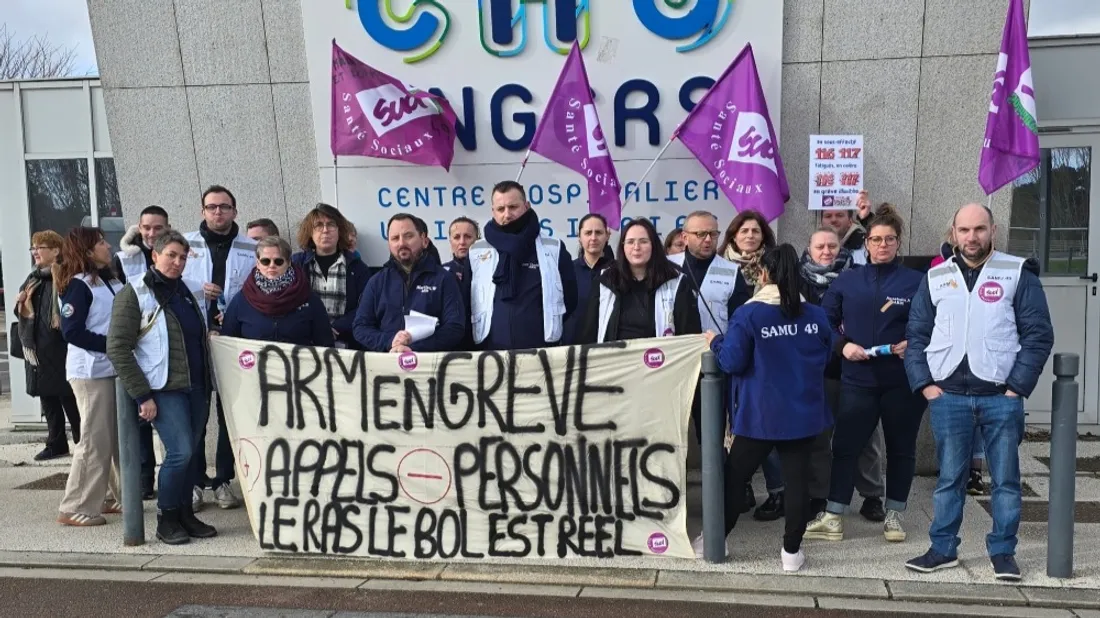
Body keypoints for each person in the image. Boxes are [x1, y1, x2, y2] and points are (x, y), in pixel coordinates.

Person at [904, 204, 1053, 581]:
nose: (972, 238)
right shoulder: (936, 276)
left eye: (980, 229)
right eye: (965, 230)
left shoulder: (1017, 272)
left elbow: (1038, 335)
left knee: (1005, 479)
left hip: (1000, 397)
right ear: (953, 232)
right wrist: (925, 385)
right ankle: (942, 548)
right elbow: (918, 335)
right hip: (947, 396)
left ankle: (1003, 552)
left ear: (993, 230)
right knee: (949, 479)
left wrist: (1016, 388)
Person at [696, 244, 833, 572]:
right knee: (798, 482)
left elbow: (731, 361)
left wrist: (714, 341)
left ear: (764, 274)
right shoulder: (815, 314)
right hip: (803, 414)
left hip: (759, 415)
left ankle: (716, 538)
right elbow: (827, 356)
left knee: (733, 477)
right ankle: (791, 553)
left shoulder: (750, 313)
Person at [806, 204, 926, 544]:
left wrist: (913, 343)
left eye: (889, 239)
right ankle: (833, 515)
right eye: (876, 239)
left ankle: (895, 514)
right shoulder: (847, 279)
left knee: (901, 448)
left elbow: (932, 325)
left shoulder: (916, 282)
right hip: (858, 379)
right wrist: (842, 346)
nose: (883, 245)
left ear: (898, 242)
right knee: (845, 447)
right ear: (866, 243)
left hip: (901, 381)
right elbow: (822, 323)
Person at [107, 230, 217, 544]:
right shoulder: (134, 292)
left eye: (183, 257)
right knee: (180, 452)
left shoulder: (189, 290)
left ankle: (185, 514)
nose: (177, 262)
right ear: (154, 255)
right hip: (163, 387)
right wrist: (142, 394)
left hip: (197, 385)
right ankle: (166, 518)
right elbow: (117, 347)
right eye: (171, 255)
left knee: (192, 452)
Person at [799, 228, 885, 521]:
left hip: (857, 369)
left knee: (866, 437)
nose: (827, 251)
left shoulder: (861, 277)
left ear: (842, 248)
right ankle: (819, 495)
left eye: (832, 246)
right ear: (809, 249)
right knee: (819, 438)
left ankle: (872, 495)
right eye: (820, 246)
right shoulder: (796, 281)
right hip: (815, 372)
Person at [668, 210, 752, 506]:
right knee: (672, 431)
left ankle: (718, 498)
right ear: (684, 236)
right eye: (700, 234)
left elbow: (741, 321)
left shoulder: (730, 271)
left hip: (713, 364)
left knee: (712, 434)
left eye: (713, 234)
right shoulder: (668, 266)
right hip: (673, 364)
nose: (707, 240)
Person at [182, 185, 256, 511]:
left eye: (224, 207)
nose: (217, 213)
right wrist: (199, 291)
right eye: (211, 207)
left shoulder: (251, 247)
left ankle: (224, 480)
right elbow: (166, 284)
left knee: (229, 415)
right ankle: (195, 482)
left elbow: (261, 288)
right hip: (195, 341)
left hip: (232, 340)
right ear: (202, 211)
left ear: (234, 212)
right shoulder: (184, 245)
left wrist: (239, 309)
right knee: (196, 414)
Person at [716, 209, 785, 520]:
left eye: (755, 231)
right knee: (733, 428)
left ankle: (777, 492)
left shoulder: (777, 267)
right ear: (733, 236)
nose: (750, 236)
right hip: (730, 354)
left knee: (764, 430)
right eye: (743, 231)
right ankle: (740, 488)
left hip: (767, 363)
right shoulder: (719, 268)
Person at [54, 227, 124, 527]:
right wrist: (113, 346)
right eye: (100, 243)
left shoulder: (109, 280)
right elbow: (72, 331)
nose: (107, 246)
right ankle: (75, 505)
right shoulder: (79, 286)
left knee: (113, 438)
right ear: (86, 251)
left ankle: (115, 496)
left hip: (111, 369)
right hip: (91, 372)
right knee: (95, 440)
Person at [469, 181, 577, 350]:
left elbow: (570, 298)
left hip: (542, 350)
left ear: (526, 206)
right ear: (493, 211)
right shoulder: (477, 251)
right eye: (500, 209)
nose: (507, 214)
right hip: (491, 351)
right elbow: (468, 300)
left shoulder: (553, 248)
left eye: (513, 207)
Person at [111, 204, 170, 500]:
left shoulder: (177, 254)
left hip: (165, 344)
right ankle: (145, 479)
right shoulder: (123, 259)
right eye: (146, 227)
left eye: (157, 228)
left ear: (167, 228)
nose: (150, 233)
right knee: (140, 419)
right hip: (136, 343)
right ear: (138, 228)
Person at [576, 218, 699, 344]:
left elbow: (689, 337)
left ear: (653, 245)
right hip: (616, 361)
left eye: (643, 241)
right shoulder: (605, 280)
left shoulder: (676, 281)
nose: (636, 247)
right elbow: (589, 334)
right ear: (623, 247)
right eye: (630, 242)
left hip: (661, 361)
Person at [353, 214, 465, 353]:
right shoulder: (377, 282)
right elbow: (360, 327)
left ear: (424, 240)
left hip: (430, 368)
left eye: (408, 236)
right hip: (385, 367)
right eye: (395, 238)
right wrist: (389, 341)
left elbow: (455, 327)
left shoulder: (444, 279)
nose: (401, 243)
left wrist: (412, 348)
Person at [15, 231, 80, 461]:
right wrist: (21, 301)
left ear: (55, 251)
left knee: (69, 397)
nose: (35, 252)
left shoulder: (66, 276)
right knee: (48, 398)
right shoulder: (33, 279)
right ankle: (56, 442)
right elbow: (20, 312)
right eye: (33, 247)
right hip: (38, 350)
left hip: (61, 348)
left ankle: (82, 441)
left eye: (40, 247)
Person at [221, 237, 335, 347]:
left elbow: (325, 344)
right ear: (258, 263)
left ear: (289, 262)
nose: (272, 266)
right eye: (265, 261)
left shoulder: (308, 297)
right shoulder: (242, 299)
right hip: (254, 365)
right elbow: (227, 342)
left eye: (278, 261)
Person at [291, 204, 371, 348]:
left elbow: (366, 306)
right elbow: (289, 300)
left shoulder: (358, 267)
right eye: (318, 225)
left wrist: (337, 328)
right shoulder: (297, 264)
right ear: (310, 232)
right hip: (306, 343)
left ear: (340, 230)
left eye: (331, 224)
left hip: (347, 343)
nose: (325, 230)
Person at [564, 213, 614, 345]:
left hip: (608, 347)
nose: (593, 238)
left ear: (607, 236)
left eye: (598, 232)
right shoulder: (566, 270)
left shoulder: (618, 271)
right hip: (571, 348)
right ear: (579, 237)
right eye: (588, 233)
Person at [443, 216, 478, 350]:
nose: (462, 242)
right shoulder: (440, 273)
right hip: (452, 345)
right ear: (450, 241)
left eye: (468, 237)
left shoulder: (489, 271)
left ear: (477, 240)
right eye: (457, 237)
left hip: (483, 342)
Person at [821, 190, 874, 265]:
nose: (833, 220)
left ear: (850, 221)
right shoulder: (812, 250)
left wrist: (867, 218)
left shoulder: (867, 248)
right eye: (828, 216)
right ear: (821, 221)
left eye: (839, 215)